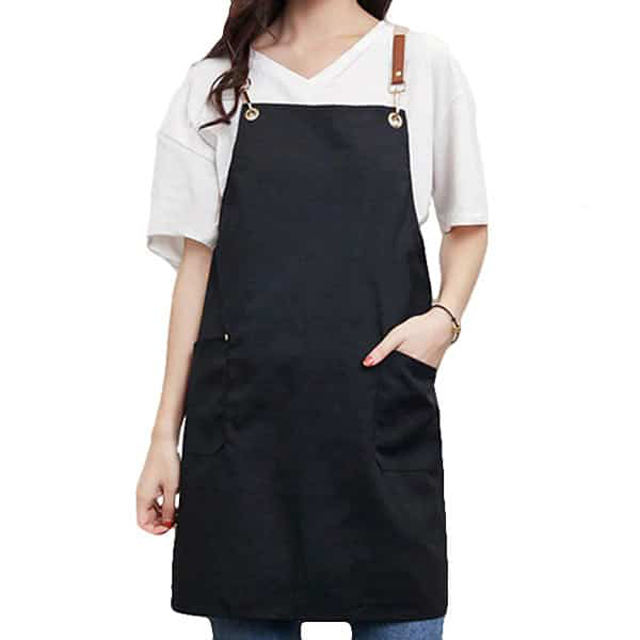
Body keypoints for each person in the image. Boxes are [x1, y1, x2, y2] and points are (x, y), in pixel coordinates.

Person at [136, 1, 488, 638]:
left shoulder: (418, 64)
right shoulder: (217, 81)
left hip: (378, 423)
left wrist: (444, 318)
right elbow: (195, 269)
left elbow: (467, 224)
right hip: (245, 440)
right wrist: (165, 435)